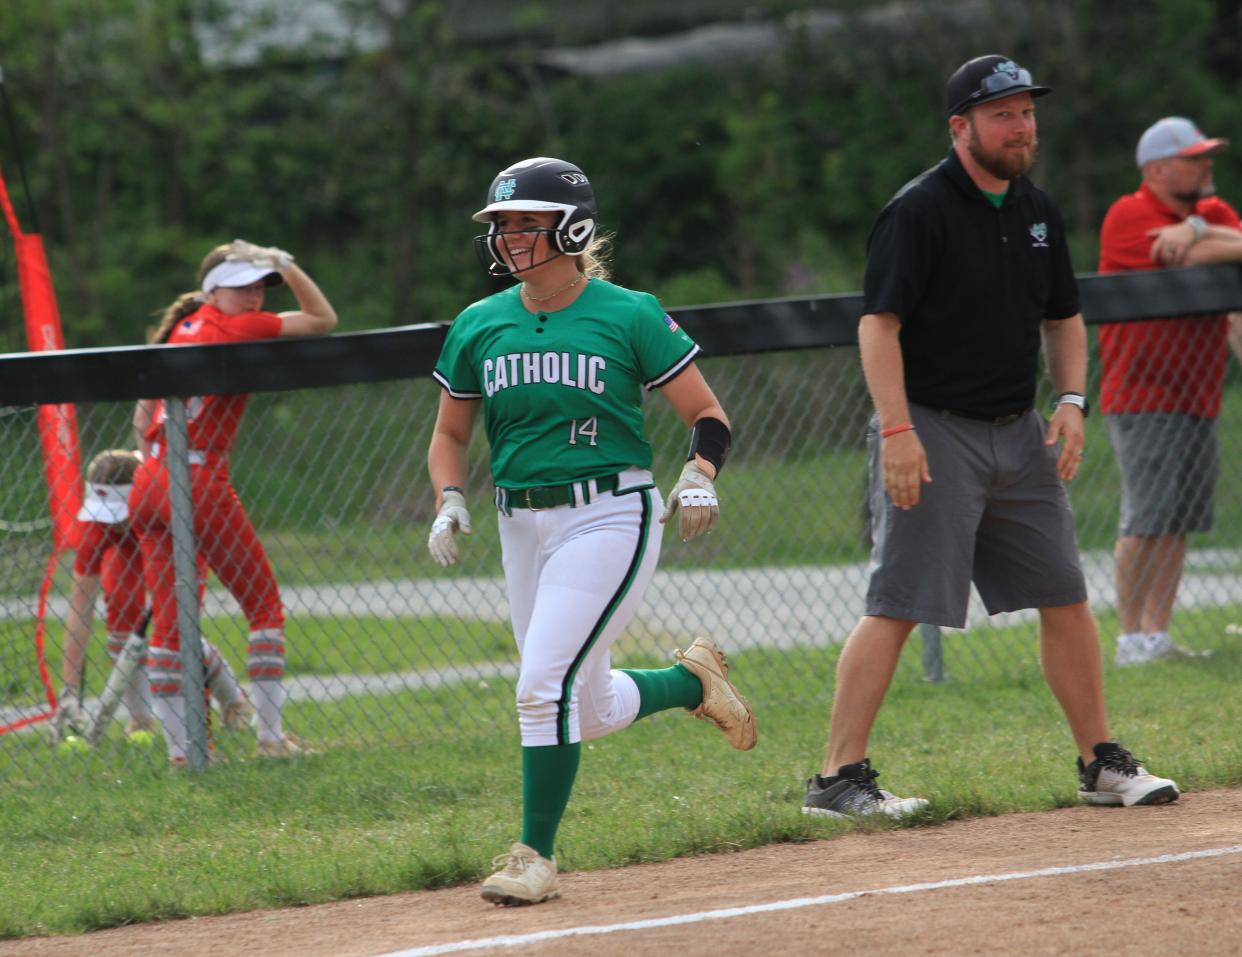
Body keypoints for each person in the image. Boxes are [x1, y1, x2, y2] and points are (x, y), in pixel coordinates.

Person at [802, 55, 1180, 820]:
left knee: (1064, 594)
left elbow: (1064, 316)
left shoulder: (1036, 208)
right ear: (960, 126)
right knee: (899, 601)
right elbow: (878, 326)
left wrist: (1072, 399)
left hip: (1021, 431)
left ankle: (1101, 761)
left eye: (1027, 112)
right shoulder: (919, 210)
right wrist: (899, 429)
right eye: (1002, 112)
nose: (1020, 125)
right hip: (933, 427)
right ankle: (837, 779)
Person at [427, 156, 755, 907]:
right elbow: (448, 433)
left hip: (609, 511)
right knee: (588, 705)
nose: (509, 236)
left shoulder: (630, 311)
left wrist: (699, 474)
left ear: (570, 226)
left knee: (542, 686)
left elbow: (708, 415)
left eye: (525, 222)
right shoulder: (481, 324)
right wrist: (450, 496)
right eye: (502, 223)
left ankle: (533, 856)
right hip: (520, 521)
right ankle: (690, 680)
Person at [128, 239, 337, 763]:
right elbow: (323, 319)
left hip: (150, 476)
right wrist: (287, 263)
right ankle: (270, 739)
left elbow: (140, 416)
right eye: (241, 286)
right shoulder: (237, 325)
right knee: (264, 606)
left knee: (173, 624)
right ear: (212, 290)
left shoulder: (182, 326)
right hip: (197, 477)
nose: (253, 297)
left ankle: (184, 753)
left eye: (259, 286)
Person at [1098, 116, 1242, 666]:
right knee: (1146, 519)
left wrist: (1199, 231)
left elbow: (1224, 242)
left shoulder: (1211, 214)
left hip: (1199, 395)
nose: (1207, 165)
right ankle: (1130, 639)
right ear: (1157, 169)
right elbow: (1179, 255)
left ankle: (1157, 636)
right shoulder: (1128, 213)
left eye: (1207, 156)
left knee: (1179, 520)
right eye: (1194, 158)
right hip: (1143, 395)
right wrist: (1202, 242)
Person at [50, 449, 253, 746]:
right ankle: (140, 719)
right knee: (120, 607)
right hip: (128, 550)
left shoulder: (169, 498)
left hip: (172, 537)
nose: (112, 523)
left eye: (118, 514)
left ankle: (233, 699)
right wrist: (68, 691)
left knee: (176, 631)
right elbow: (80, 610)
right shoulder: (97, 528)